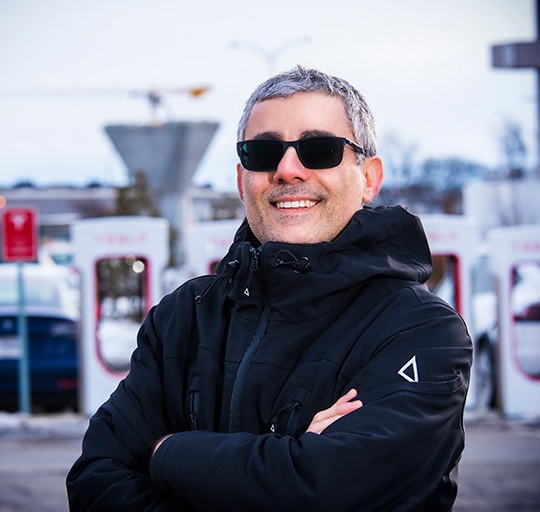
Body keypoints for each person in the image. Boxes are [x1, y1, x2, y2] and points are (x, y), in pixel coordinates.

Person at [67, 66, 472, 511]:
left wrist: (166, 452)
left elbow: (325, 490)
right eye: (263, 151)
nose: (287, 169)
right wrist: (285, 465)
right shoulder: (183, 315)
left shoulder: (421, 331)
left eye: (320, 149)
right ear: (243, 179)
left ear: (369, 180)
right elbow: (95, 482)